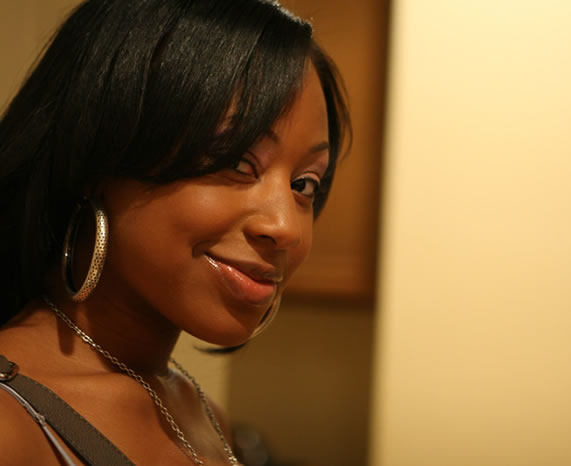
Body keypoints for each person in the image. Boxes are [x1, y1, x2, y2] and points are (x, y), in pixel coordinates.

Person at [0, 0, 350, 464]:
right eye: (237, 162)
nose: (286, 228)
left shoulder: (202, 414)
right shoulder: (11, 424)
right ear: (99, 155)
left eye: (304, 184)